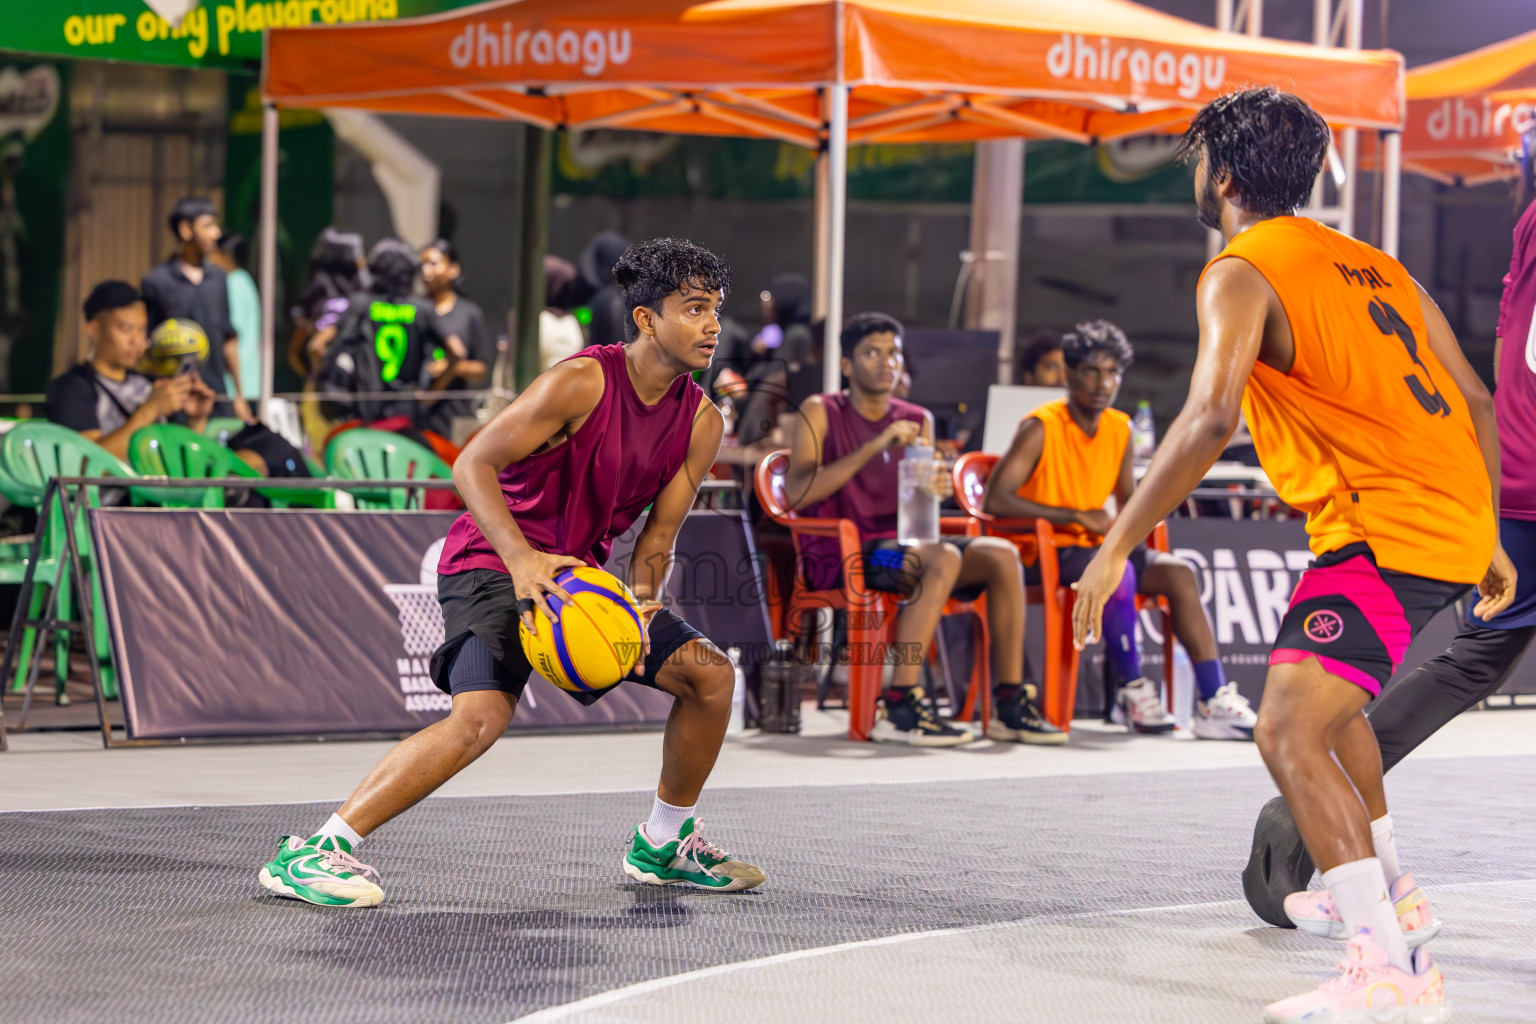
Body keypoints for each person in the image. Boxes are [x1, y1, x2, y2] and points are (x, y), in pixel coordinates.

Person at [1069, 87, 1514, 1021]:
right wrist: (1489, 532)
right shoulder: (1379, 265)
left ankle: (1382, 967)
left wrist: (1114, 545)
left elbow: (1208, 416)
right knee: (1337, 712)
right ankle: (1393, 893)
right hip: (1447, 519)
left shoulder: (1240, 267)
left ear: (1223, 174)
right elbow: (1476, 402)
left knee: (1285, 729)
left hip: (1381, 528)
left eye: (1197, 161)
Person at [257, 237, 765, 906]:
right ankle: (317, 851)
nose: (712, 326)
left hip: (572, 579)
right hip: (492, 560)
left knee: (707, 675)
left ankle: (665, 843)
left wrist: (641, 603)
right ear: (647, 319)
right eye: (694, 308)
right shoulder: (583, 380)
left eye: (716, 310)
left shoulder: (701, 421)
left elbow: (659, 535)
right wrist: (522, 561)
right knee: (478, 720)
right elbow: (472, 464)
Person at [1242, 141, 1536, 930]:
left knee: (1450, 668)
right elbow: (1489, 374)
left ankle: (1337, 838)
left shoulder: (1528, 225)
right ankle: (1352, 841)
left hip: (1466, 495)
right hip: (1471, 497)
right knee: (1360, 700)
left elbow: (1504, 354)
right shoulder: (1354, 267)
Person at [785, 313, 1058, 747]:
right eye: (871, 353)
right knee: (942, 557)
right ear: (848, 365)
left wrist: (938, 489)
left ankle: (1009, 703)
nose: (885, 362)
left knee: (1001, 554)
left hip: (902, 550)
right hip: (845, 555)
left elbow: (918, 517)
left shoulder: (917, 418)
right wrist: (874, 447)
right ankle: (900, 703)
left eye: (892, 352)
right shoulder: (821, 410)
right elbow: (797, 493)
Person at [984, 319, 1255, 740]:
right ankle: (1131, 689)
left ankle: (1212, 699)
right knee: (1120, 570)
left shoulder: (1120, 428)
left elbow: (1129, 502)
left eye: (1112, 373)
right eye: (1091, 371)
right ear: (1069, 374)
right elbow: (994, 499)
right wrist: (1074, 516)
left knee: (1179, 572)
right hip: (1045, 552)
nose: (1102, 382)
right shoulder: (1041, 426)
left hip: (1094, 548)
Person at [45, 281, 215, 461]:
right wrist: (150, 411)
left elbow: (180, 463)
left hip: (157, 489)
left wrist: (196, 420)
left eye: (141, 329)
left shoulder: (150, 384)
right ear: (94, 329)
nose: (136, 340)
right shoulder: (72, 388)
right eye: (126, 329)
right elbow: (86, 464)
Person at [315, 238, 464, 424]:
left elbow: (317, 346)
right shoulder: (422, 308)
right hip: (405, 415)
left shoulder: (361, 304)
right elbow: (457, 352)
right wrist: (432, 395)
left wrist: (332, 384)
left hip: (365, 413)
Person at [140, 197, 250, 421]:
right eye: (208, 225)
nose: (216, 234)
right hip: (173, 404)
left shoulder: (219, 279)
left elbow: (228, 339)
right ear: (186, 229)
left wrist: (239, 396)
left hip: (215, 396)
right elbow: (145, 347)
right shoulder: (157, 282)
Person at [419, 238, 491, 439]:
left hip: (452, 414)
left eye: (433, 263)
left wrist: (450, 367)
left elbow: (481, 368)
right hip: (416, 411)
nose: (426, 271)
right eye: (422, 264)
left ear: (452, 269)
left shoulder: (469, 313)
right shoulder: (415, 309)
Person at [210, 234, 261, 405]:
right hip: (249, 379)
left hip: (235, 383)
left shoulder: (233, 283)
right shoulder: (245, 280)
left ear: (226, 255)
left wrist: (238, 389)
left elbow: (231, 335)